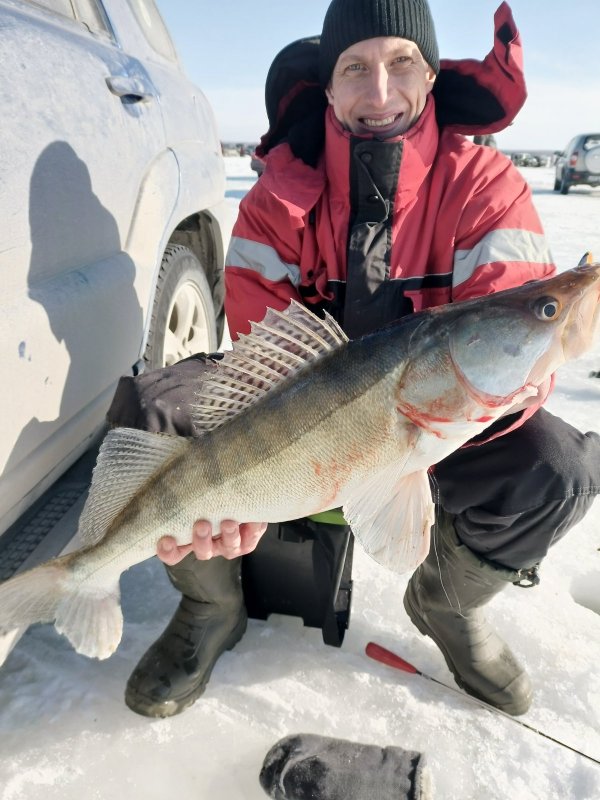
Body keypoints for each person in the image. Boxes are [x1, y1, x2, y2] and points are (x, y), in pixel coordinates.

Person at [122, 0, 600, 719]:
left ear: (433, 75)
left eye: (402, 63)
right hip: (305, 436)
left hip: (438, 430)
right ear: (329, 87)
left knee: (558, 470)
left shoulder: (487, 188)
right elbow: (263, 369)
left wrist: (551, 328)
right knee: (155, 409)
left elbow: (505, 337)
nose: (380, 92)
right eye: (355, 68)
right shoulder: (271, 202)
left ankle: (447, 605)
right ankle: (209, 608)